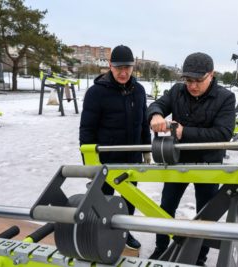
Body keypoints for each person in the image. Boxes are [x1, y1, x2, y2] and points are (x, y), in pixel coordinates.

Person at [147, 52, 236, 265]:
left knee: (205, 213)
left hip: (208, 162)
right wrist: (156, 115)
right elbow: (156, 105)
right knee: (166, 205)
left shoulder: (225, 98)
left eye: (198, 81)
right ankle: (161, 248)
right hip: (178, 161)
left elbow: (223, 133)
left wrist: (183, 132)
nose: (192, 86)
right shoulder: (177, 91)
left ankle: (199, 256)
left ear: (211, 75)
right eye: (188, 80)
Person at [79, 45, 151, 250]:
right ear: (110, 66)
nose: (123, 72)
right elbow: (87, 130)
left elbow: (143, 123)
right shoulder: (96, 93)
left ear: (133, 67)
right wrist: (89, 163)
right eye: (118, 67)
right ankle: (100, 235)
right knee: (103, 202)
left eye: (127, 67)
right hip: (106, 160)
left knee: (130, 199)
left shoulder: (139, 90)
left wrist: (146, 149)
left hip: (132, 159)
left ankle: (125, 232)